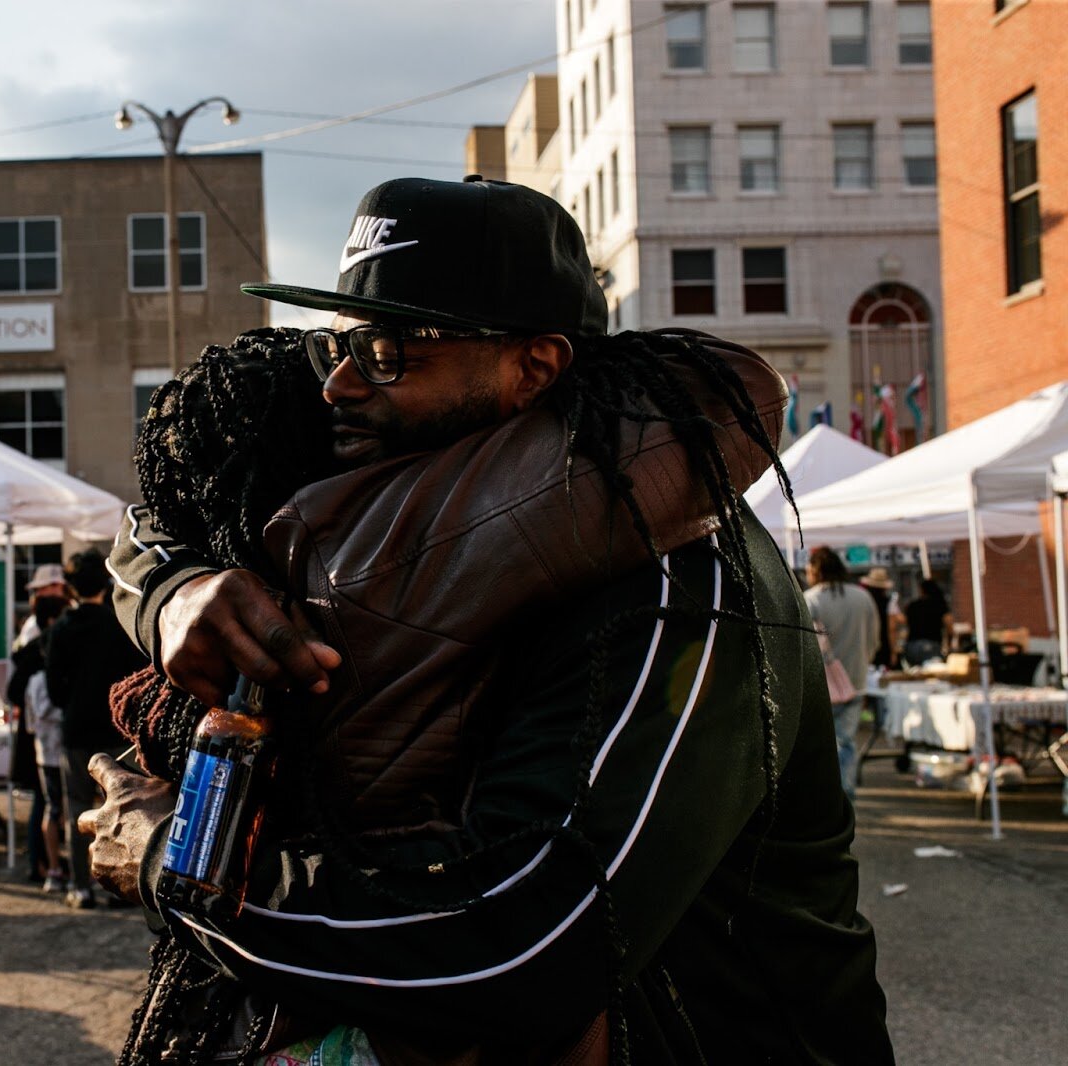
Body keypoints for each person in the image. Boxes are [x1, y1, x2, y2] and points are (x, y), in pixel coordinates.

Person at [85, 177, 892, 1063]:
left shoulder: (678, 574)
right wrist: (174, 589)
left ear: (533, 368)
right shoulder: (419, 499)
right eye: (339, 346)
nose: (341, 386)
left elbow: (515, 954)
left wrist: (175, 862)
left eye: (391, 349)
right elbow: (174, 495)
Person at [44, 548, 146, 908]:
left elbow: (54, 688)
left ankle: (80, 886)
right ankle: (118, 887)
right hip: (115, 731)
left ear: (71, 587)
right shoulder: (117, 624)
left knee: (76, 809)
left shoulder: (61, 629)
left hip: (75, 730)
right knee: (119, 807)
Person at [805, 547, 881, 798]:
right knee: (846, 742)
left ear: (815, 570)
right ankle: (845, 795)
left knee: (818, 744)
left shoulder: (811, 600)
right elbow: (874, 640)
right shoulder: (863, 598)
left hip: (820, 686)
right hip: (857, 680)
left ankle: (825, 796)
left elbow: (804, 647)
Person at [7, 589, 71, 887]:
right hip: (47, 742)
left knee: (46, 805)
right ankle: (44, 865)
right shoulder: (42, 653)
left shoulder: (34, 651)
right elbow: (20, 694)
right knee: (51, 806)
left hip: (37, 740)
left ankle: (46, 865)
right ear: (51, 619)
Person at [902, 578, 953, 666]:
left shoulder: (912, 606)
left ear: (922, 590)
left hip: (911, 647)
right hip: (931, 646)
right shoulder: (940, 605)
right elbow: (949, 627)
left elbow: (906, 625)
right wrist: (949, 644)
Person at [859, 567, 903, 670]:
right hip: (884, 646)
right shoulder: (889, 603)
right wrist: (893, 651)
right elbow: (891, 629)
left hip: (865, 646)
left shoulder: (863, 601)